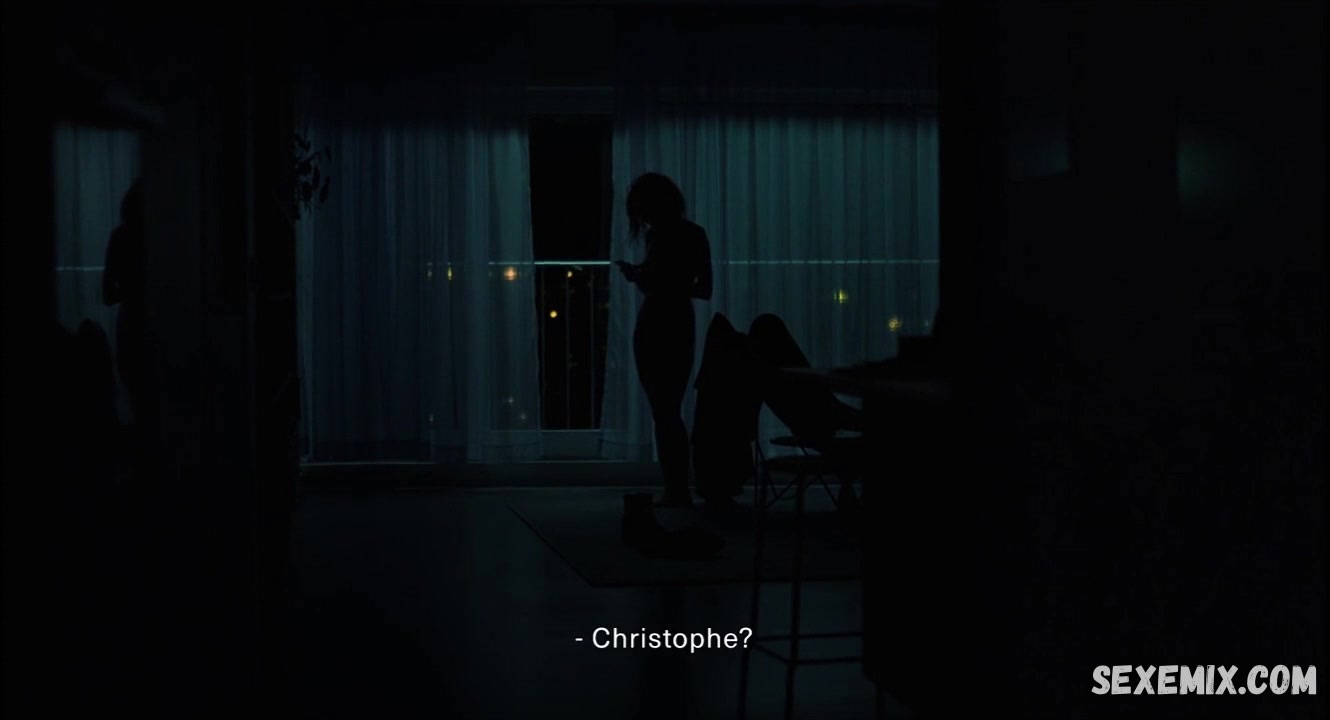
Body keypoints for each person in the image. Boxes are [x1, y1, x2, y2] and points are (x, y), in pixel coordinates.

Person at [614, 173, 713, 508]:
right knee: (668, 409)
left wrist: (643, 277)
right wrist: (651, 278)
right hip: (677, 322)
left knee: (664, 411)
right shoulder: (693, 234)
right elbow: (703, 288)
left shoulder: (660, 236)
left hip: (657, 322)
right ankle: (678, 488)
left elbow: (658, 286)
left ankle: (677, 489)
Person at [103, 179, 147, 427]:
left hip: (129, 323)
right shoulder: (156, 237)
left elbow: (107, 295)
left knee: (137, 396)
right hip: (143, 323)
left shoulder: (119, 237)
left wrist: (129, 291)